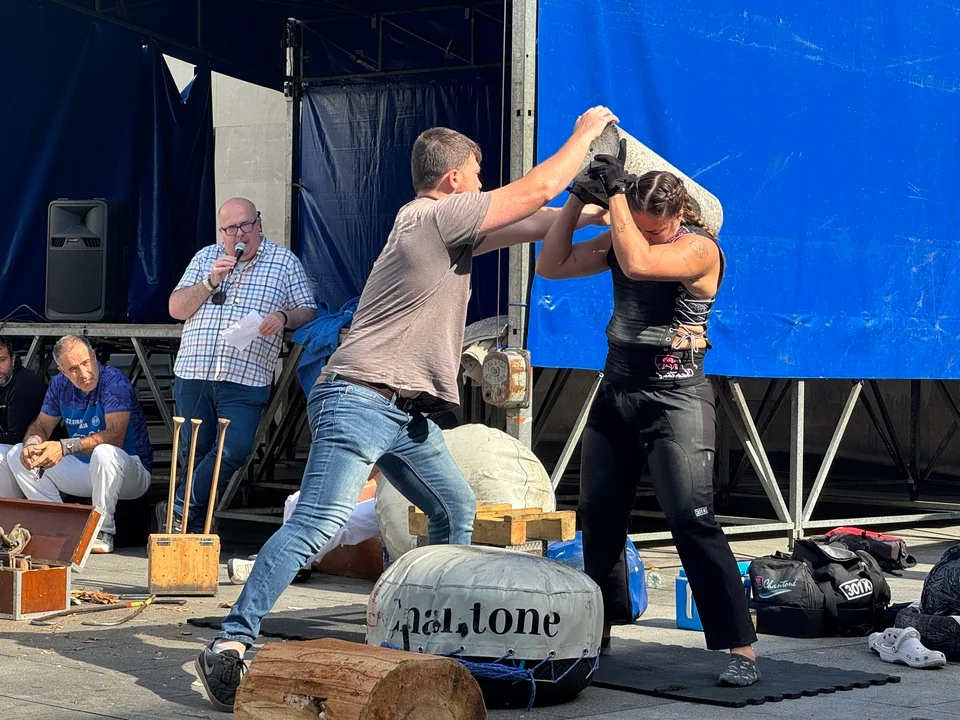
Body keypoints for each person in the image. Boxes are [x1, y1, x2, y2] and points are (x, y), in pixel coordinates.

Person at [193, 106, 618, 711]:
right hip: (359, 397)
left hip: (402, 413)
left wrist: (604, 210)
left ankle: (418, 630)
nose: (482, 184)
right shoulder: (430, 216)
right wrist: (584, 135)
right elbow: (535, 192)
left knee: (454, 508)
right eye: (477, 175)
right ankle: (231, 642)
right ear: (453, 179)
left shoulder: (446, 229)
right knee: (316, 525)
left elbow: (538, 220)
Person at [535, 145, 760, 687]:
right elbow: (550, 265)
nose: (644, 235)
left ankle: (742, 648)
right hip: (618, 391)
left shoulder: (699, 248)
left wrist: (615, 197)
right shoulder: (626, 234)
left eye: (654, 229)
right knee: (599, 516)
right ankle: (600, 629)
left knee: (691, 518)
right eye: (637, 226)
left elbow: (640, 263)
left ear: (679, 216)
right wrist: (577, 198)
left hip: (676, 398)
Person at [161, 198, 317, 533]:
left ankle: (178, 507)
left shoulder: (283, 262)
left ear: (259, 223)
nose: (240, 234)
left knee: (234, 449)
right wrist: (210, 282)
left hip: (245, 377)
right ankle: (191, 532)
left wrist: (284, 316)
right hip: (194, 372)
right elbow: (176, 308)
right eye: (231, 229)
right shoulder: (205, 257)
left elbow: (308, 309)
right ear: (222, 232)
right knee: (194, 453)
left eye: (246, 225)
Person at [6, 335, 153, 554]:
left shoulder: (114, 381)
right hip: (85, 469)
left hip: (131, 470)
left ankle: (102, 532)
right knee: (17, 454)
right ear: (62, 371)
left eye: (86, 362)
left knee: (104, 453)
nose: (83, 373)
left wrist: (63, 447)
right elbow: (42, 425)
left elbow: (115, 437)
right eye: (73, 369)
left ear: (93, 355)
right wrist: (32, 444)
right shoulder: (59, 384)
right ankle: (60, 529)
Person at [0, 336, 47, 498]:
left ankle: (10, 509)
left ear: (13, 359)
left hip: (38, 453)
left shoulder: (24, 385)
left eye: (2, 360)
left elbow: (16, 437)